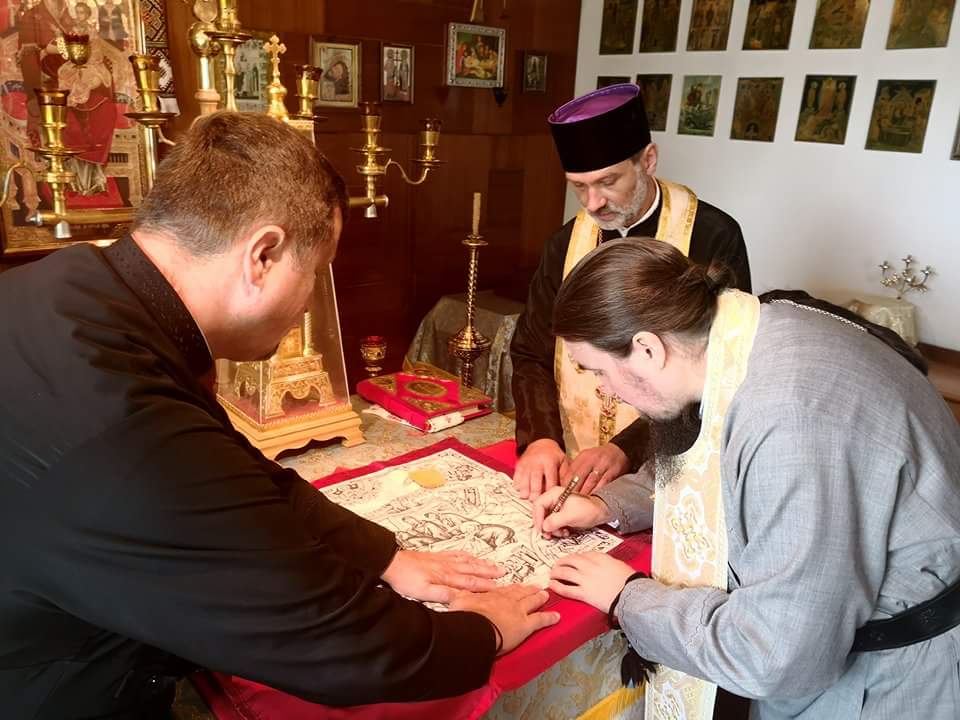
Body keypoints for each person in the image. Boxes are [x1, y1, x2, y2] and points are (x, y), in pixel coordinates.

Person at [0, 112, 558, 720]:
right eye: (316, 271)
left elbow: (240, 474)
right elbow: (334, 642)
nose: (311, 298)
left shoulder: (76, 285)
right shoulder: (126, 427)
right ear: (262, 254)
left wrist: (386, 559)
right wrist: (484, 631)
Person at [532, 238, 960, 719]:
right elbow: (711, 454)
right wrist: (606, 505)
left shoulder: (790, 418)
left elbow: (776, 655)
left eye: (599, 372)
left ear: (647, 348)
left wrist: (626, 597)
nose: (606, 392)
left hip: (886, 683)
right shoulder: (744, 333)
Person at [510, 83, 750, 501]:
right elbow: (531, 351)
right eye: (578, 186)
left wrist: (626, 448)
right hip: (573, 462)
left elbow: (718, 366)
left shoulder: (712, 236)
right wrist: (541, 438)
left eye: (607, 182)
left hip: (665, 466)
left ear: (648, 160)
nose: (593, 203)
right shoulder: (564, 244)